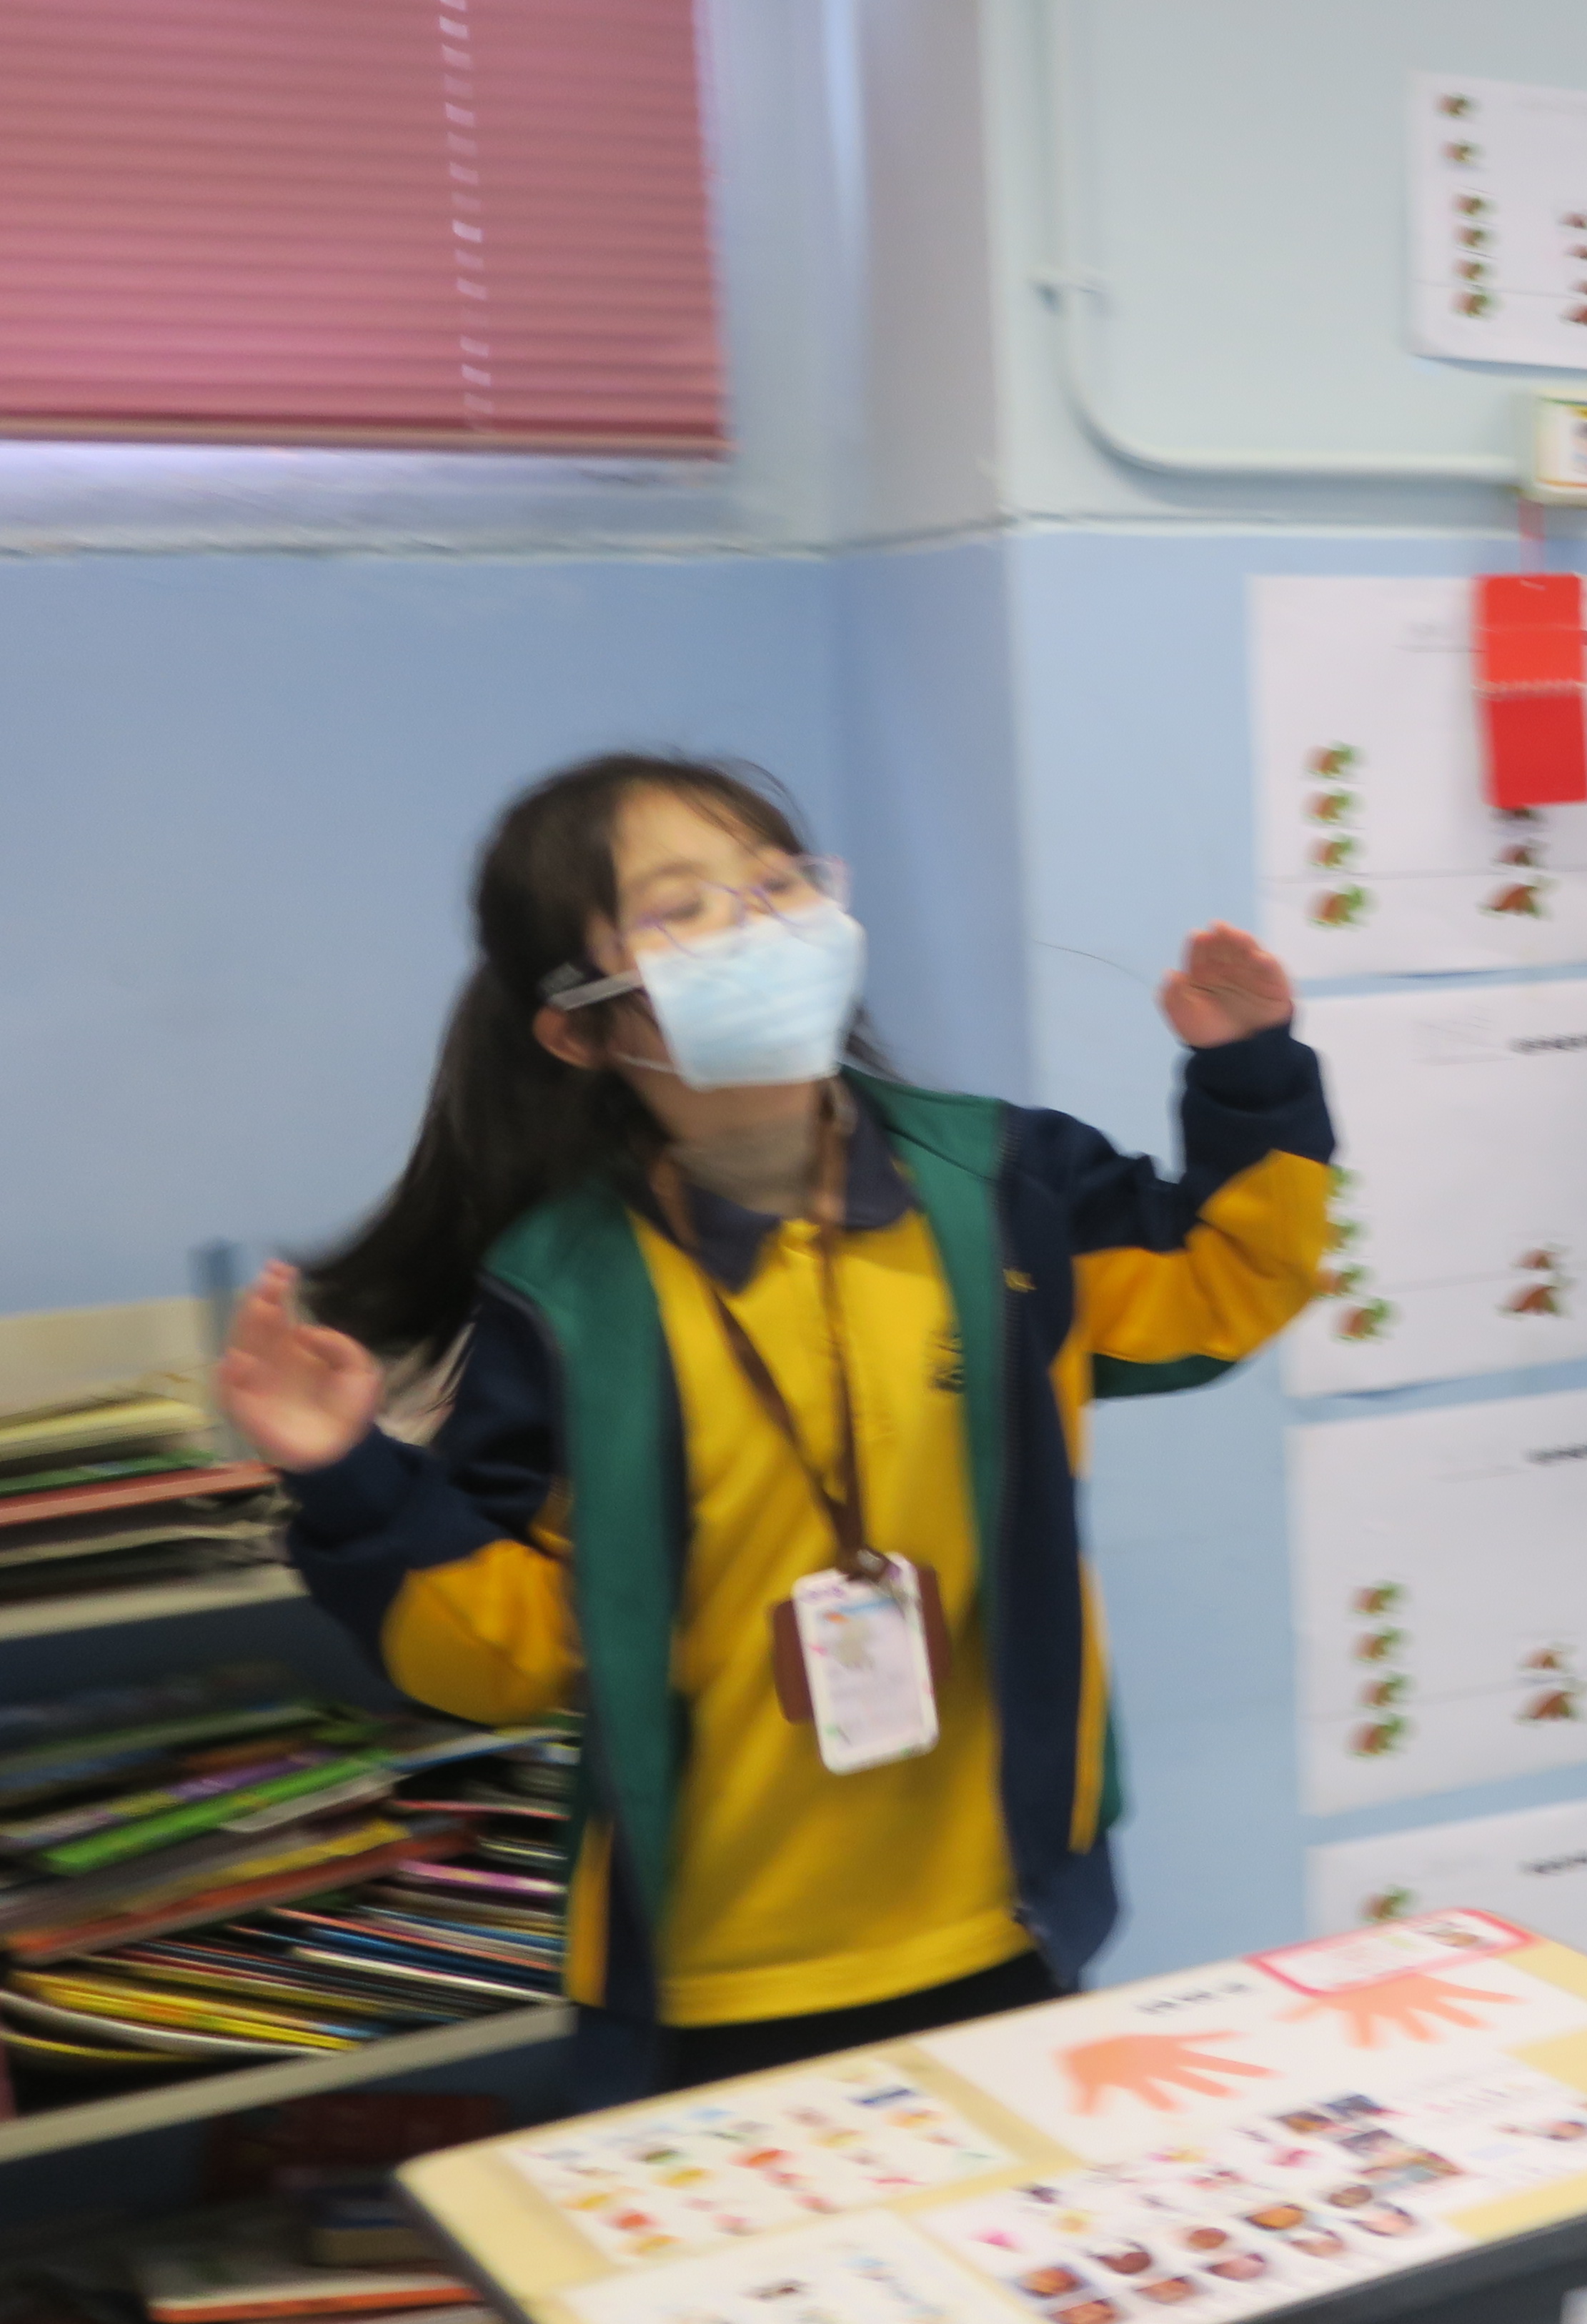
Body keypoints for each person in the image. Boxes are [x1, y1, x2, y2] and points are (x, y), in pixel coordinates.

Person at [219, 754, 1333, 2100]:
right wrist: (347, 1474)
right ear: (581, 1031)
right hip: (716, 1976)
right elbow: (511, 1654)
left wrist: (1250, 1076)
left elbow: (1220, 1287)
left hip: (1005, 1922)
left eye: (778, 884)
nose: (757, 928)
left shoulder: (999, 1188)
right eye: (683, 907)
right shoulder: (565, 1293)